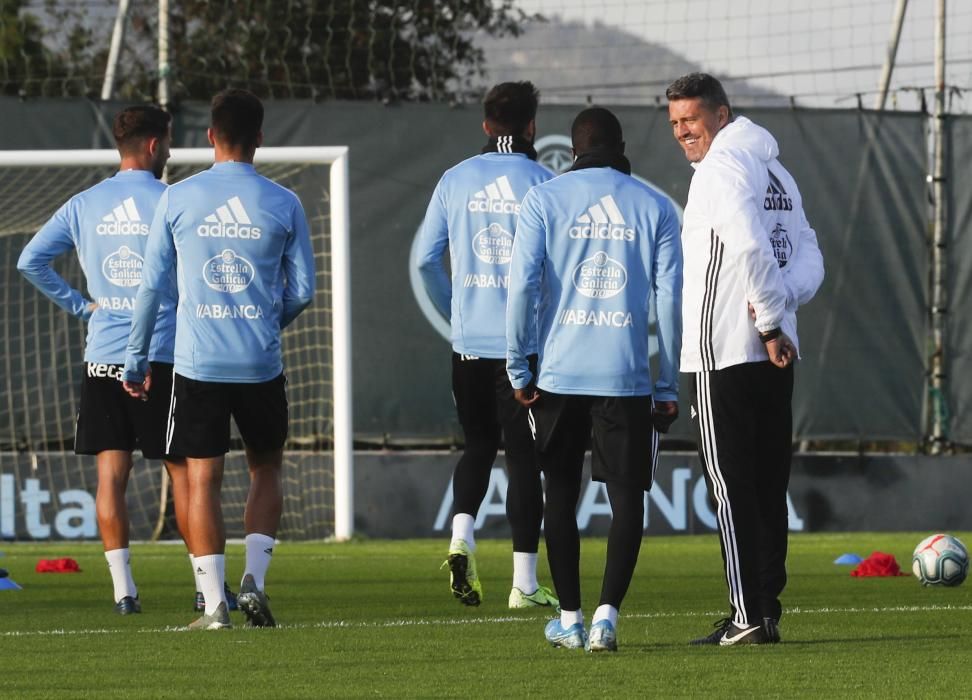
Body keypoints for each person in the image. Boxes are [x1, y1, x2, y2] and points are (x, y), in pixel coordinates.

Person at [122, 89, 315, 630]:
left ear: (210, 137)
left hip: (198, 365)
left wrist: (135, 360)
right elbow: (302, 290)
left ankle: (215, 605)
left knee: (202, 479)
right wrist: (263, 322)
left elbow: (150, 288)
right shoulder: (284, 202)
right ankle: (254, 577)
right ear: (259, 138)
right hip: (260, 363)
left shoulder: (177, 197)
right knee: (266, 467)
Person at [507, 107, 682, 651]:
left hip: (558, 376)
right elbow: (671, 300)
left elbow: (521, 290)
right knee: (627, 498)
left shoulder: (543, 200)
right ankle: (608, 617)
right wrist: (669, 382)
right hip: (625, 379)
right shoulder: (655, 205)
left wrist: (519, 365)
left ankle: (571, 617)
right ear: (620, 144)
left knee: (560, 492)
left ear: (575, 149)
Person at [16, 105, 202, 614]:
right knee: (184, 473)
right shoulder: (173, 200)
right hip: (163, 354)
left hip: (103, 356)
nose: (169, 151)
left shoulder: (84, 203)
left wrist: (83, 305)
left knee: (109, 477)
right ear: (152, 145)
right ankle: (207, 587)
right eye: (167, 142)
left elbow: (29, 260)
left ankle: (124, 592)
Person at [666, 73, 824, 645]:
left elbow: (752, 245)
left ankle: (746, 615)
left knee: (730, 487)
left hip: (725, 351)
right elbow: (808, 257)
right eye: (676, 123)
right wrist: (782, 310)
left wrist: (769, 320)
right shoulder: (777, 172)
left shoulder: (721, 170)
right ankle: (767, 609)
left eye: (692, 120)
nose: (683, 132)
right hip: (776, 352)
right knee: (764, 483)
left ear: (721, 115)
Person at [416, 81, 559, 610]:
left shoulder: (455, 179)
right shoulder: (545, 182)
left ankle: (461, 536)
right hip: (522, 349)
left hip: (468, 345)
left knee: (477, 445)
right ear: (532, 127)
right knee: (524, 460)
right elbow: (558, 272)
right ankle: (523, 582)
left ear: (485, 125)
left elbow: (425, 260)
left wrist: (458, 311)